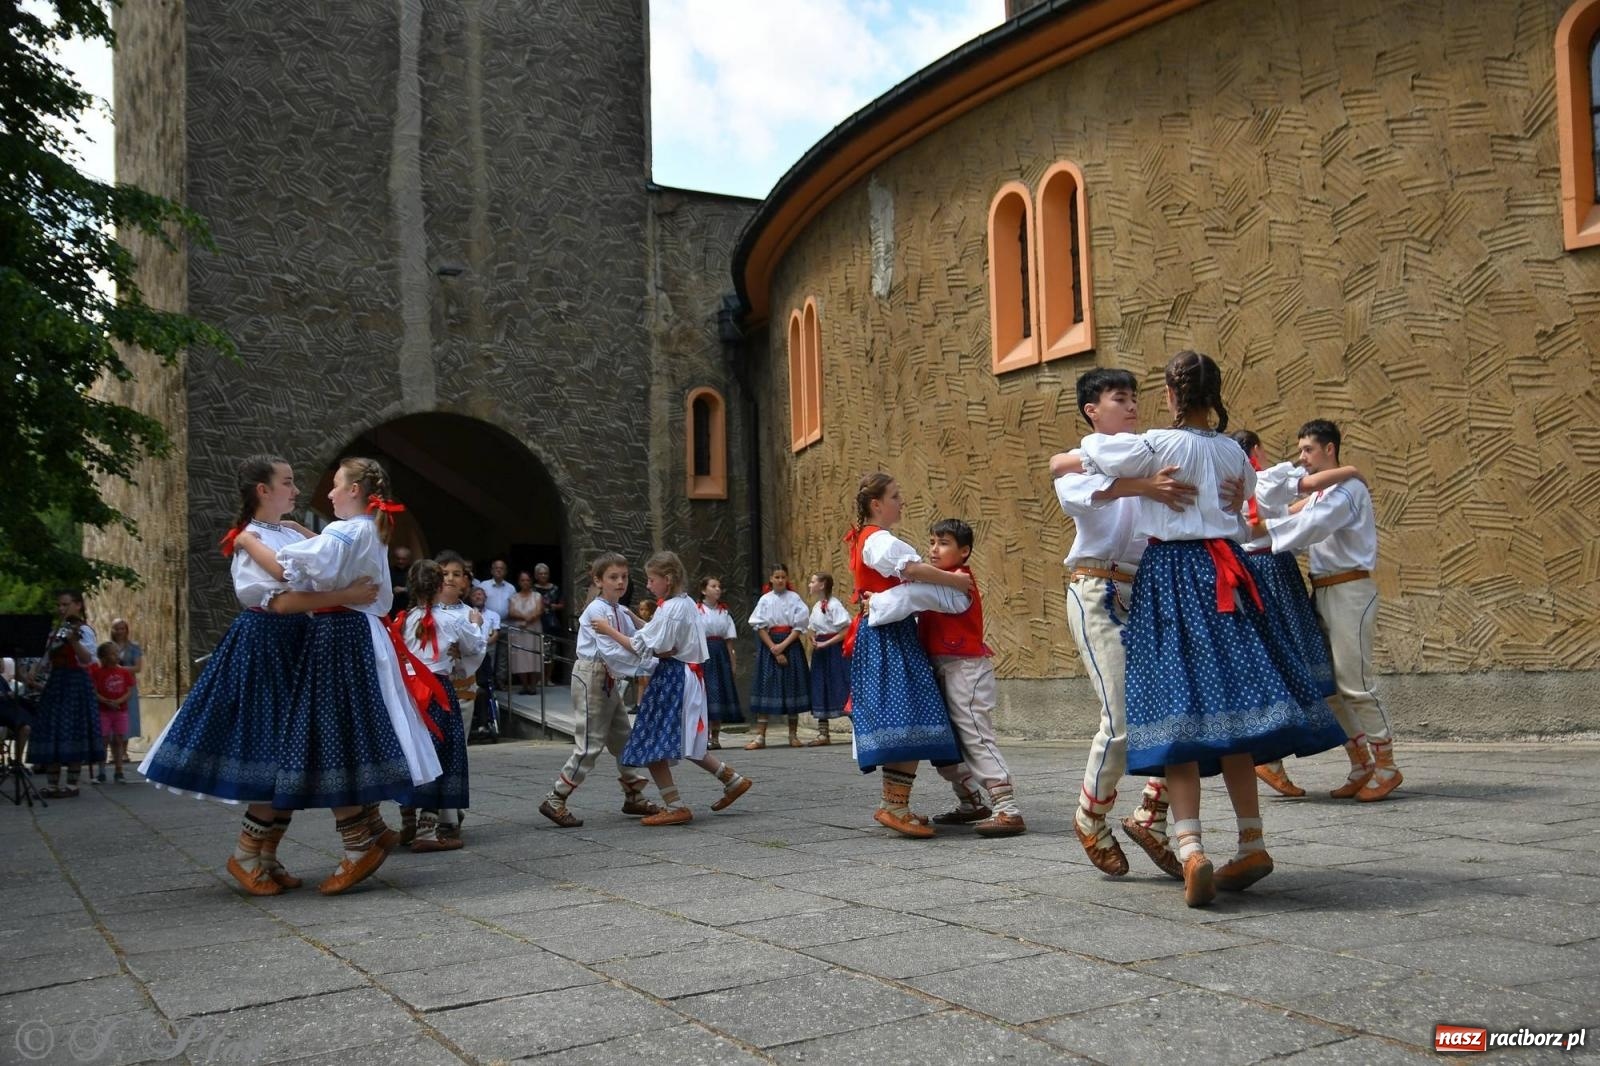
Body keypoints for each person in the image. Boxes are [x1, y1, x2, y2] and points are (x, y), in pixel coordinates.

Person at [1078, 351, 1346, 906]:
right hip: (1227, 571)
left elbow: (1094, 451)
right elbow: (1254, 491)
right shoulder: (1230, 450)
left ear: (1172, 396)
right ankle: (1252, 841)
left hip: (1173, 575)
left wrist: (1144, 482)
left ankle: (1191, 847)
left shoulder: (1156, 444)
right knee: (1235, 712)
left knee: (1179, 711)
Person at [140, 454, 379, 895]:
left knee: (289, 751)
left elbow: (329, 545)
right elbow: (282, 596)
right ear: (262, 490)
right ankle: (247, 854)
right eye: (287, 483)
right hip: (265, 644)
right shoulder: (250, 536)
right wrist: (345, 593)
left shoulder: (286, 529)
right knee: (271, 749)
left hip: (296, 645)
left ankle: (265, 856)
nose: (295, 489)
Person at [1048, 368, 1203, 878]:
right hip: (1095, 588)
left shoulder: (1152, 451)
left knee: (1182, 709)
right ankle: (1090, 816)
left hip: (1152, 590)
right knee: (1120, 716)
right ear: (1093, 409)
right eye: (1120, 398)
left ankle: (1151, 814)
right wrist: (1144, 487)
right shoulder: (1082, 458)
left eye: (1136, 398)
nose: (1133, 406)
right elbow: (1074, 492)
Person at [265, 457, 443, 895]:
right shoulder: (366, 528)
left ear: (356, 490)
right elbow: (330, 548)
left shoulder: (351, 531)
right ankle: (370, 828)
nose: (329, 493)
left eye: (337, 486)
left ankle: (358, 843)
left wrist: (252, 544)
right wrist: (304, 533)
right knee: (351, 731)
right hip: (357, 634)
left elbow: (306, 565)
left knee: (334, 736)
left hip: (341, 636)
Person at [1261, 419, 1401, 802]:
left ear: (1329, 450)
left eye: (1308, 450)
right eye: (1300, 450)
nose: (1302, 457)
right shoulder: (1324, 492)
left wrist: (1261, 528)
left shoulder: (1348, 489)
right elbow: (1293, 517)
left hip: (1349, 590)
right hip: (1322, 590)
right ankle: (1362, 765)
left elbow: (1311, 526)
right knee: (1329, 685)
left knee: (1355, 683)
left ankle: (1386, 765)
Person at [867, 519, 1025, 836]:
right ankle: (971, 802)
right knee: (947, 741)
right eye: (932, 542)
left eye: (944, 543)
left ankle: (1007, 808)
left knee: (974, 735)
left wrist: (875, 602)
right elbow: (916, 598)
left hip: (966, 669)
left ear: (964, 551)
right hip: (944, 667)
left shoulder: (959, 582)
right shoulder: (942, 582)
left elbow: (911, 597)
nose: (934, 549)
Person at [1230, 428, 1362, 798]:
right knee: (1308, 659)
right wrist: (1351, 472)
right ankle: (1359, 757)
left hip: (1246, 573)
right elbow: (1309, 484)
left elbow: (1286, 511)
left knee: (1268, 664)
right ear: (1256, 449)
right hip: (1274, 568)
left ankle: (1268, 761)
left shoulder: (1229, 484)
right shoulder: (1268, 477)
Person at [844, 473, 969, 838]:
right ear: (876, 504)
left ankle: (895, 804)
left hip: (887, 632)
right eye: (895, 496)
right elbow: (910, 570)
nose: (902, 502)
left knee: (907, 715)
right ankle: (895, 806)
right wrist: (955, 581)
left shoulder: (867, 539)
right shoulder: (878, 538)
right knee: (911, 712)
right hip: (888, 635)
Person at [592, 551, 753, 826]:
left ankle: (675, 805)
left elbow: (650, 645)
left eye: (651, 579)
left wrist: (609, 630)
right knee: (682, 737)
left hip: (673, 677)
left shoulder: (672, 608)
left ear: (667, 579)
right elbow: (659, 633)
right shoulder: (683, 603)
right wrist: (635, 619)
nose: (647, 585)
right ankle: (731, 779)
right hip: (682, 674)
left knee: (653, 740)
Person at [538, 552, 661, 828]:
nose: (620, 582)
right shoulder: (596, 611)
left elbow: (641, 638)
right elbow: (615, 651)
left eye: (624, 577)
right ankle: (556, 797)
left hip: (606, 678)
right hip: (592, 675)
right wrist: (649, 665)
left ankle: (634, 795)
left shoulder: (619, 610)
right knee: (591, 742)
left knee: (623, 738)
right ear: (598, 580)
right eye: (613, 577)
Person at [395, 559, 484, 851]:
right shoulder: (453, 620)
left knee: (412, 756)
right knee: (439, 756)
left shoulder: (404, 619)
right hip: (436, 693)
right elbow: (474, 648)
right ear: (438, 586)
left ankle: (408, 821)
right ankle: (427, 831)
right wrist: (476, 624)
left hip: (408, 695)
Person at [26, 590, 98, 799]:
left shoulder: (84, 630)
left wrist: (74, 641)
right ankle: (52, 783)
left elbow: (88, 660)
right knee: (52, 730)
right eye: (59, 605)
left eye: (65, 604)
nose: (61, 609)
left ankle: (72, 784)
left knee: (74, 729)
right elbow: (47, 658)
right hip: (57, 682)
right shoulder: (55, 630)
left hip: (76, 683)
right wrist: (33, 672)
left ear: (78, 605)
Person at [745, 565, 811, 749]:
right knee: (766, 686)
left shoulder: (794, 599)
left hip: (790, 644)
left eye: (783, 576)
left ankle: (793, 735)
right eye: (777, 576)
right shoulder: (765, 600)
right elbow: (759, 626)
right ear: (771, 579)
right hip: (770, 645)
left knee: (792, 687)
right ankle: (760, 737)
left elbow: (799, 626)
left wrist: (782, 646)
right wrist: (774, 648)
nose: (780, 580)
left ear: (787, 578)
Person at [697, 575, 744, 749]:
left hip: (720, 653)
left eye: (719, 586)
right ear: (703, 590)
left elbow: (729, 641)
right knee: (707, 692)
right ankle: (704, 735)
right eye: (713, 586)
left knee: (719, 692)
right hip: (703, 653)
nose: (718, 589)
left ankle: (715, 736)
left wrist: (732, 661)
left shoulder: (723, 612)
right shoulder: (697, 611)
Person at [804, 572, 849, 746]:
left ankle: (858, 730)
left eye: (813, 581)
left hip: (834, 651)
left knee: (841, 685)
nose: (810, 584)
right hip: (821, 651)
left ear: (822, 585)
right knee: (820, 686)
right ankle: (823, 733)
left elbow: (845, 630)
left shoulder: (834, 605)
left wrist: (827, 643)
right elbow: (812, 628)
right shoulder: (817, 606)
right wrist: (813, 638)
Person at [89, 642, 135, 783]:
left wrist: (119, 701)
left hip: (120, 711)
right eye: (113, 653)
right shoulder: (97, 673)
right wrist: (107, 701)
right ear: (103, 657)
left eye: (117, 652)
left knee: (118, 740)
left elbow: (129, 691)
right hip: (104, 711)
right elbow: (94, 691)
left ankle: (119, 771)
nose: (116, 656)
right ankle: (101, 772)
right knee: (103, 740)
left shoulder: (124, 672)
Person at [506, 570, 544, 693]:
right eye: (522, 580)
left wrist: (528, 619)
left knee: (534, 656)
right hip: (519, 631)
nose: (525, 582)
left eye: (527, 580)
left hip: (533, 629)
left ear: (531, 581)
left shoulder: (537, 596)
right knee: (520, 657)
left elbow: (539, 610)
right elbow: (511, 612)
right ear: (519, 582)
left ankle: (533, 685)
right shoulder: (514, 597)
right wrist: (524, 618)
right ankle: (524, 685)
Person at [108, 619, 143, 746]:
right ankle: (113, 752)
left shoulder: (134, 647)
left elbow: (138, 667)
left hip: (128, 687)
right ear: (112, 630)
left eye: (122, 628)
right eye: (116, 628)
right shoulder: (107, 647)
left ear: (127, 630)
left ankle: (124, 751)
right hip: (110, 686)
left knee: (128, 717)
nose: (119, 631)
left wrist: (119, 669)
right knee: (112, 716)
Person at [533, 563, 565, 684]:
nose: (543, 575)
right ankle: (538, 678)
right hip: (536, 621)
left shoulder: (555, 588)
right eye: (540, 573)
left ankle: (548, 678)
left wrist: (551, 606)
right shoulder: (532, 589)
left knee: (551, 652)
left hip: (551, 623)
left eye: (545, 573)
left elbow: (562, 604)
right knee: (538, 652)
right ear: (536, 575)